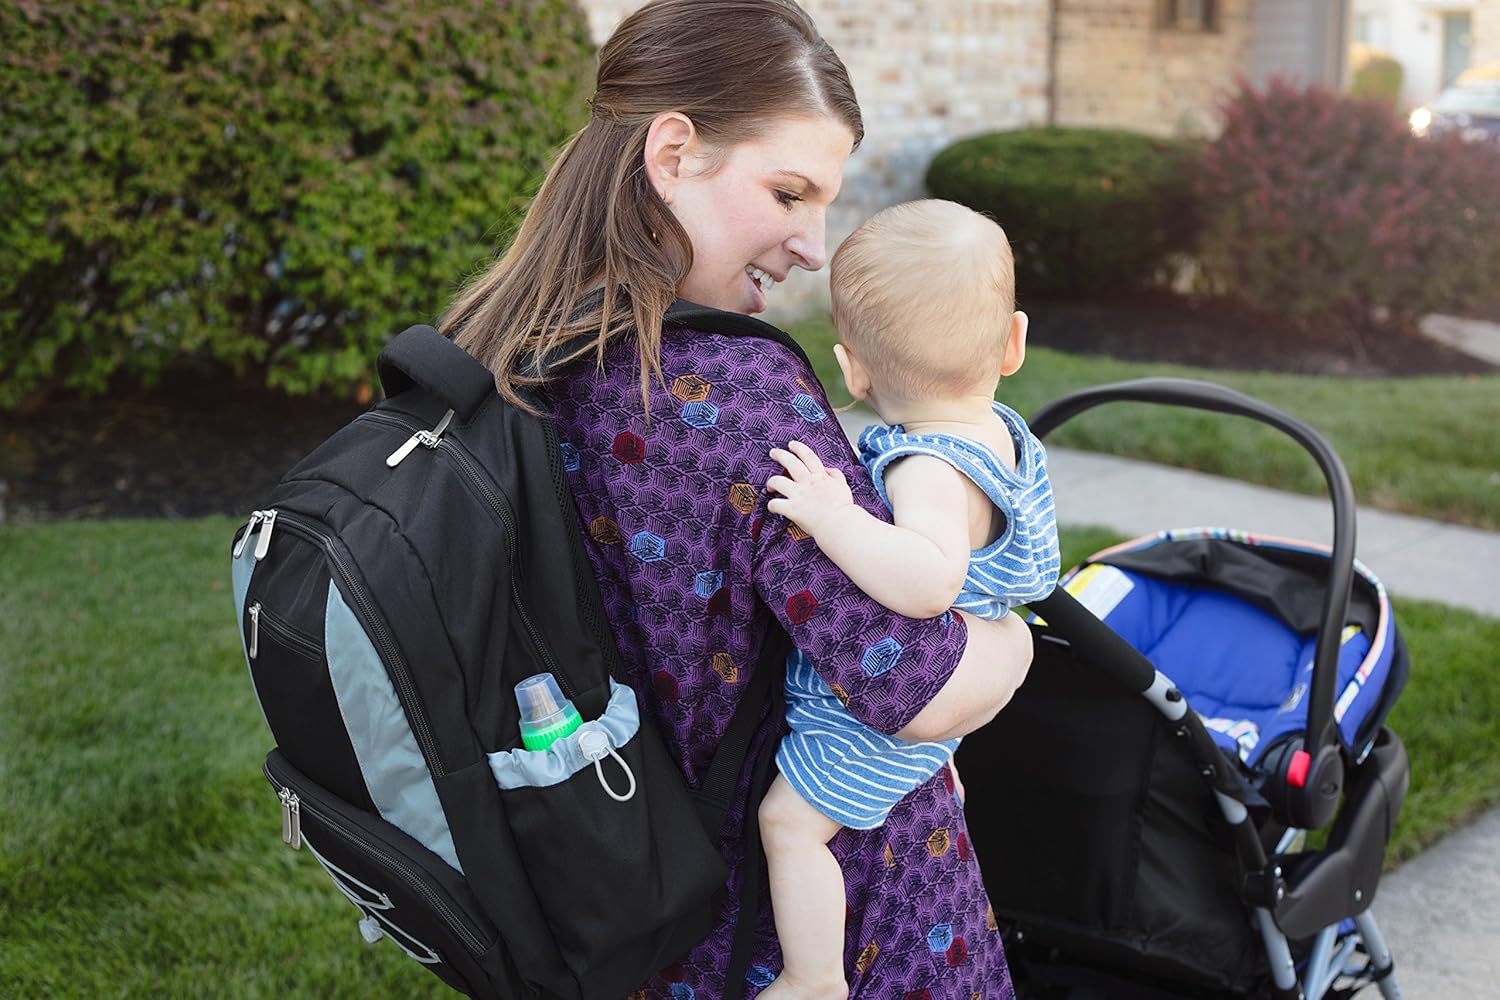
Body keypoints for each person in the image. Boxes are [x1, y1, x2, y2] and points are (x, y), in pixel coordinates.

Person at [442, 2, 1034, 996]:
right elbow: (910, 684)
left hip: (614, 889)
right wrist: (1018, 636)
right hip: (832, 921)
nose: (813, 244)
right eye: (790, 191)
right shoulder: (743, 400)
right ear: (673, 153)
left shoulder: (506, 348)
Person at [757, 200, 1061, 1000]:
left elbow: (927, 583)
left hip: (872, 717)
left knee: (788, 826)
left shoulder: (926, 464)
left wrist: (833, 518)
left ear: (853, 370)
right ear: (1014, 344)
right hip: (954, 687)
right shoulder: (999, 433)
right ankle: (933, 769)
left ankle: (812, 976)